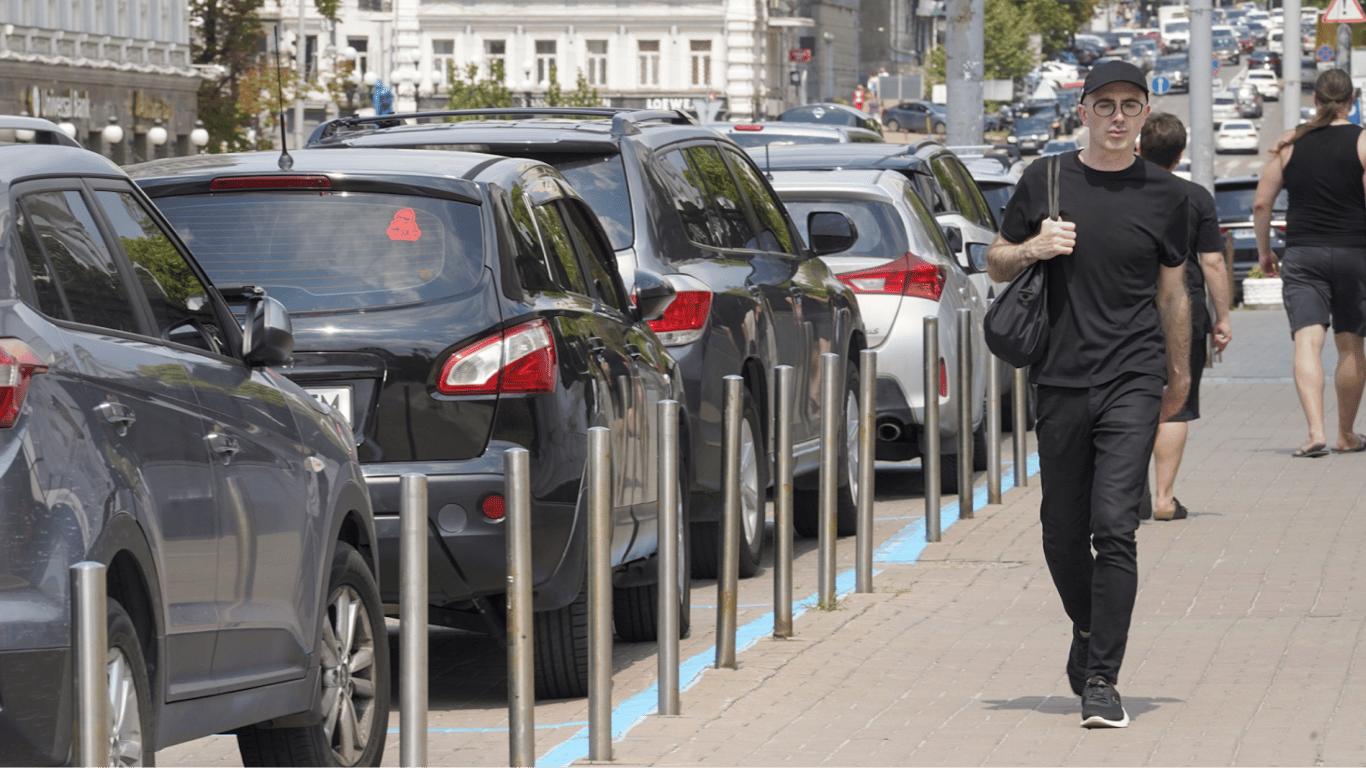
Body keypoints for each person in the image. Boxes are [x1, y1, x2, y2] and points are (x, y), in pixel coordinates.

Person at [986, 60, 1191, 729]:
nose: (1117, 117)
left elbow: (1170, 292)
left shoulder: (1168, 197)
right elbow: (995, 259)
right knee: (1061, 534)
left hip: (1134, 375)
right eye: (1105, 105)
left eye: (1130, 105)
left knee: (1115, 528)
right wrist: (1035, 247)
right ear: (1084, 110)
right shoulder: (1044, 179)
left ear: (1144, 114)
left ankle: (1102, 678)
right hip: (1060, 376)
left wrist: (1180, 374)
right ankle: (1086, 630)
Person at [1254, 68, 1366, 457]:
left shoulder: (1290, 143)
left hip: (1303, 255)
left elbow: (1261, 203)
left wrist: (1265, 251)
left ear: (1315, 100)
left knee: (1307, 340)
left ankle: (1315, 432)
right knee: (1350, 342)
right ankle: (1346, 435)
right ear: (1351, 101)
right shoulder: (1363, 141)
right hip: (1356, 253)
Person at [1138, 112, 1234, 520]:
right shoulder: (1196, 197)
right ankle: (1163, 498)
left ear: (1140, 148)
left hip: (1128, 310)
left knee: (1129, 401)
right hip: (1183, 310)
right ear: (1179, 156)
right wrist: (1223, 317)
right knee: (1176, 401)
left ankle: (1124, 496)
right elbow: (1212, 261)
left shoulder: (1121, 190)